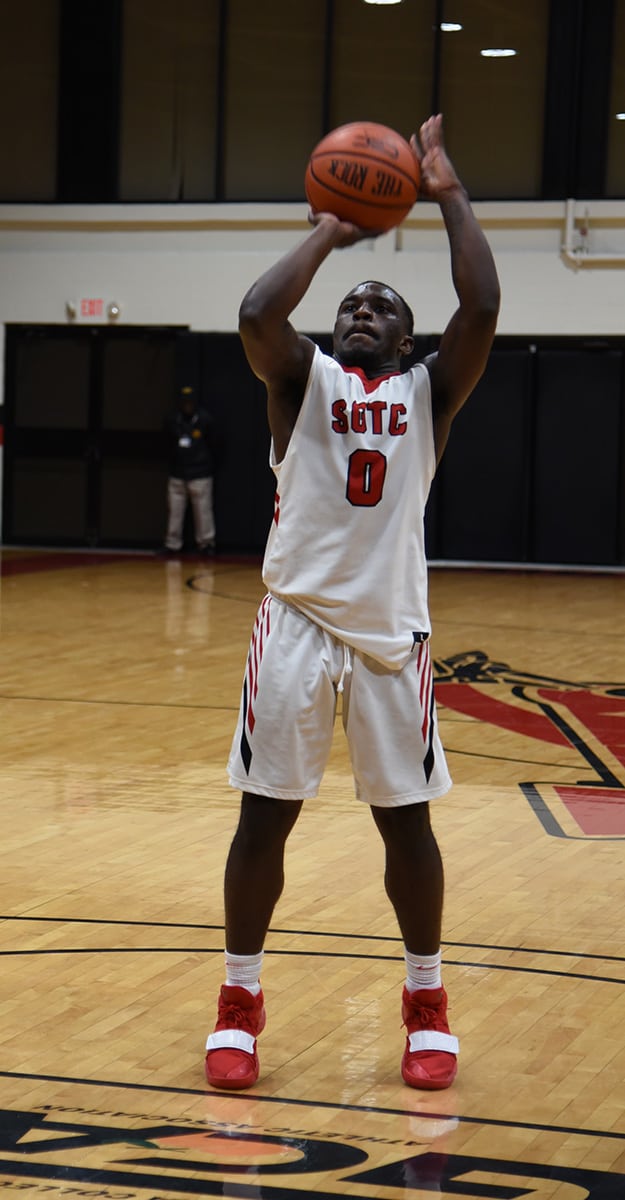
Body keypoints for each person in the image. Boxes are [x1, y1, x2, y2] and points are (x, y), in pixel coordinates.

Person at [204, 115, 500, 1091]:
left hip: (388, 639)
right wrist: (333, 229)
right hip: (293, 626)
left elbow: (482, 308)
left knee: (405, 826)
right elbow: (256, 314)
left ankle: (426, 1002)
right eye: (351, 307)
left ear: (407, 337)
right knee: (264, 821)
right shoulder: (301, 377)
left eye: (381, 307)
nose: (361, 314)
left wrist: (448, 191)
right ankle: (239, 1006)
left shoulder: (430, 394)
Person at [162, 385, 216, 555]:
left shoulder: (205, 420)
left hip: (200, 474)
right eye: (184, 402)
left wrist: (206, 465)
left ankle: (206, 544)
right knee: (174, 512)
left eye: (190, 402)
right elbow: (167, 445)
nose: (187, 405)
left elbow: (216, 446)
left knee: (203, 512)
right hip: (178, 474)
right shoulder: (173, 420)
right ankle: (172, 543)